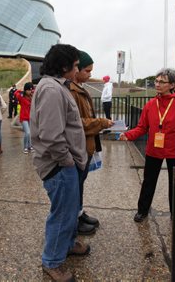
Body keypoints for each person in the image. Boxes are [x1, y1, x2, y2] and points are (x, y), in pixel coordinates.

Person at [30, 44, 89, 281]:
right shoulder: (52, 91)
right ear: (64, 66)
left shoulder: (57, 87)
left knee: (70, 210)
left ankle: (67, 244)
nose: (77, 71)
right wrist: (67, 162)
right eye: (75, 66)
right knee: (63, 214)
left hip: (66, 164)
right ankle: (52, 261)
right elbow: (52, 136)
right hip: (60, 166)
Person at [119, 68, 175, 222]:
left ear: (172, 85)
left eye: (162, 82)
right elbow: (142, 127)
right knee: (148, 182)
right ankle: (142, 210)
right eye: (156, 81)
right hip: (154, 149)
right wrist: (128, 134)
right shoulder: (151, 104)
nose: (157, 84)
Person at [69, 51, 113, 235]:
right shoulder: (71, 90)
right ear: (76, 69)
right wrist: (101, 123)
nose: (89, 74)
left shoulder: (79, 87)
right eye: (87, 71)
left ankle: (78, 213)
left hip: (85, 146)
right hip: (78, 147)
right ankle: (74, 220)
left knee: (79, 184)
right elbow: (76, 122)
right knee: (75, 186)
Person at [14, 82, 34, 154]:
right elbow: (16, 92)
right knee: (27, 132)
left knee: (30, 133)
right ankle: (25, 147)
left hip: (30, 117)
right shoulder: (21, 97)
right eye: (28, 90)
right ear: (25, 90)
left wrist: (32, 92)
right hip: (23, 118)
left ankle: (30, 146)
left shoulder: (32, 97)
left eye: (30, 90)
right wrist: (21, 91)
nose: (29, 91)